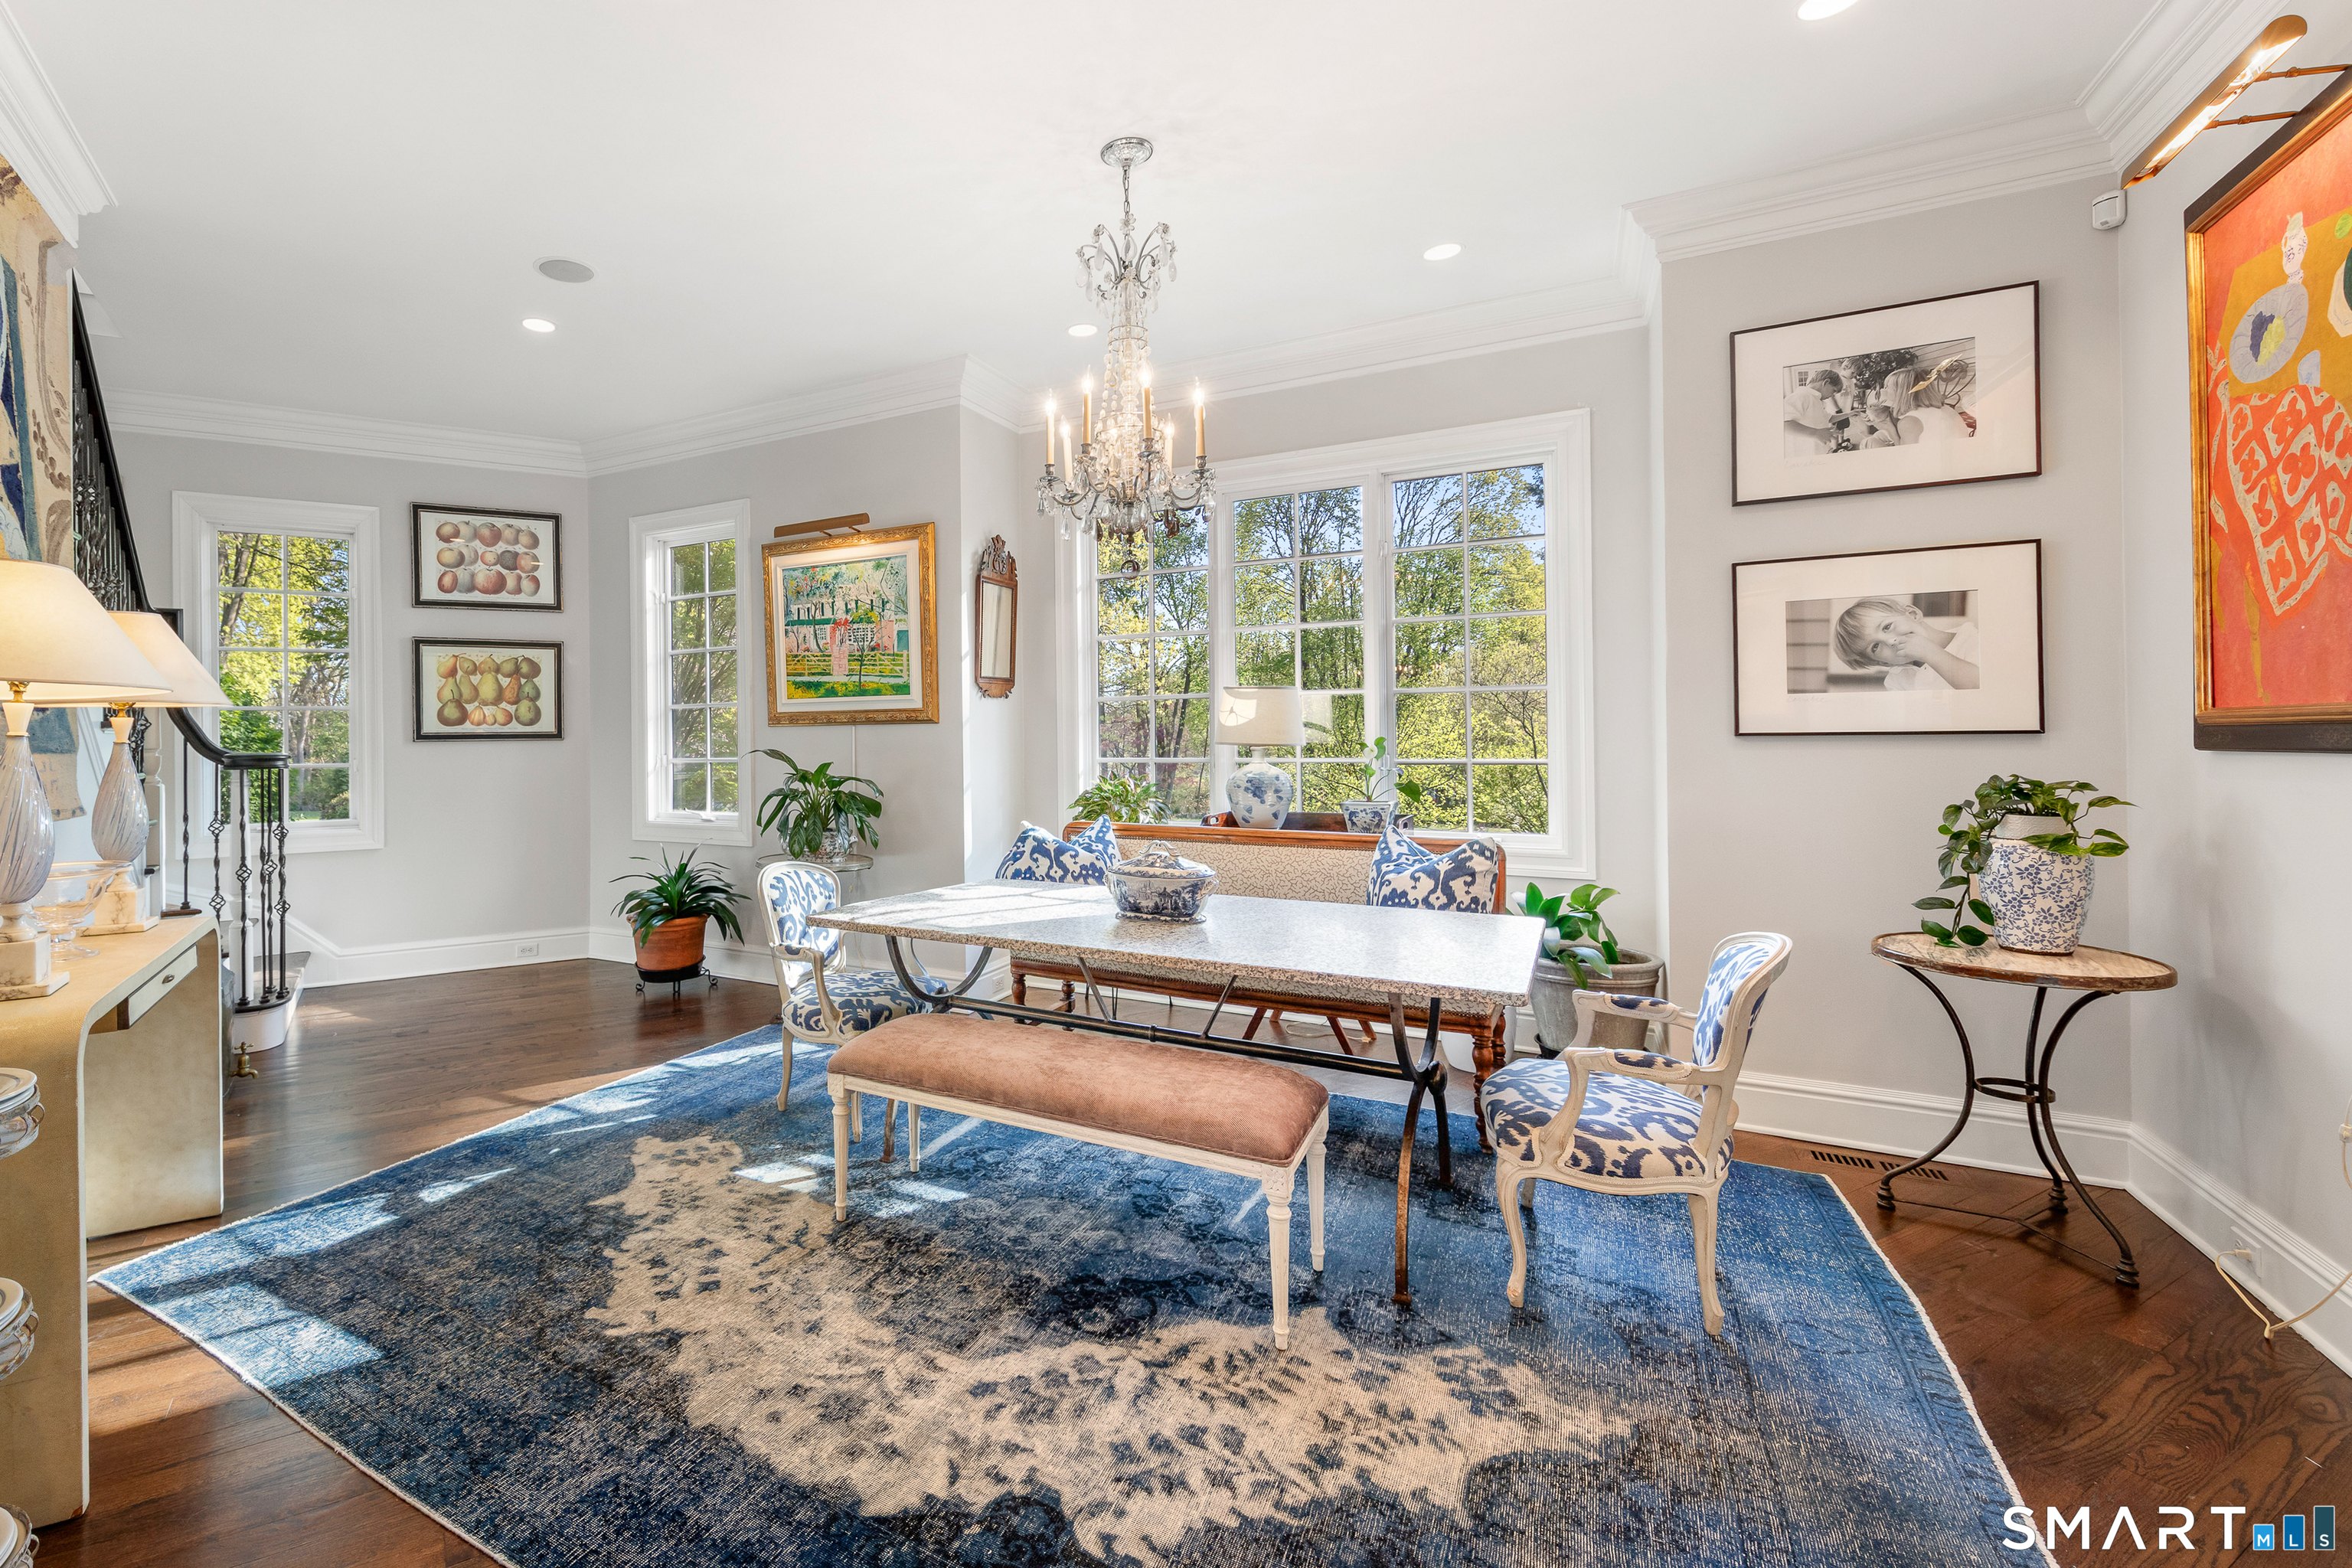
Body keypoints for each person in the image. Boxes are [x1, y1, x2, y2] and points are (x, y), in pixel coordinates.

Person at [1833, 596, 1980, 691]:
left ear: (1913, 615)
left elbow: (1979, 686)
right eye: (1875, 647)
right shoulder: (1896, 680)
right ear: (1884, 663)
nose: (1890, 641)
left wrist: (1930, 653)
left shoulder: (1974, 640)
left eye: (1887, 627)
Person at [1783, 369, 1851, 456]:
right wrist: (1816, 433)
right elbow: (1784, 424)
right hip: (1805, 453)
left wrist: (1850, 414)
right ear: (1826, 382)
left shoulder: (1816, 399)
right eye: (1833, 391)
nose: (1832, 395)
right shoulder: (1801, 396)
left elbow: (1829, 418)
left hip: (1819, 451)